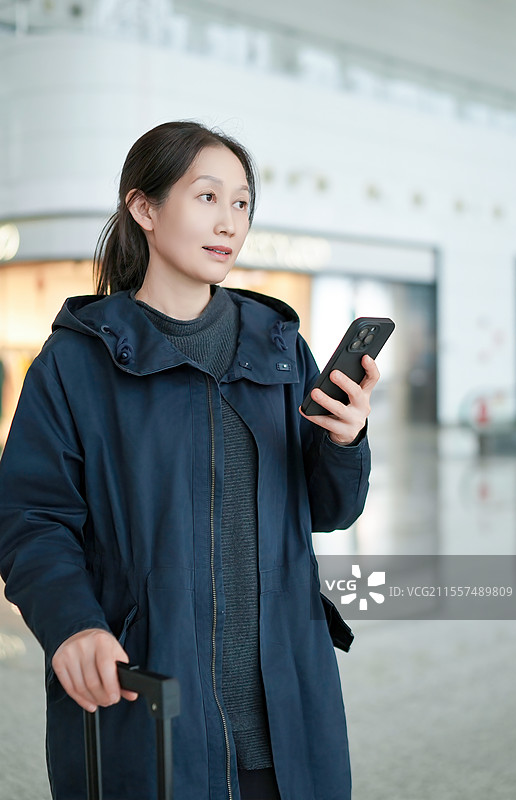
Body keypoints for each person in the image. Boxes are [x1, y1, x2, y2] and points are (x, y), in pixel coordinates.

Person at [0, 121, 378, 800]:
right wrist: (73, 623)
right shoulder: (77, 361)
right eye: (207, 197)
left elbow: (326, 511)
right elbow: (31, 519)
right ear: (143, 208)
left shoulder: (279, 345)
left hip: (286, 705)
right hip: (151, 700)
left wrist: (344, 442)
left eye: (240, 203)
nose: (228, 221)